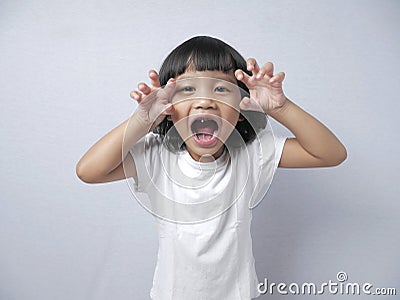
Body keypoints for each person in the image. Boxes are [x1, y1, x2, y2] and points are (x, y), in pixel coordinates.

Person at [76, 36, 347, 299]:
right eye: (188, 89)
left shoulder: (252, 154)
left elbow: (330, 154)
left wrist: (280, 108)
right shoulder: (155, 157)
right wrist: (141, 121)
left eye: (220, 89)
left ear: (242, 105)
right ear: (168, 105)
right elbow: (89, 171)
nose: (205, 101)